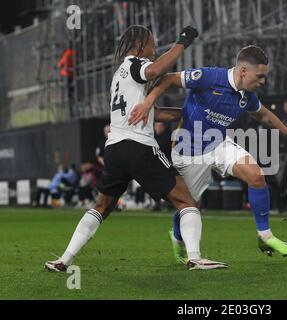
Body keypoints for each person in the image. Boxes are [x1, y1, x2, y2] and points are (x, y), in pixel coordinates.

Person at [45, 24, 227, 272]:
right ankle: (194, 257)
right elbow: (157, 69)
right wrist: (184, 41)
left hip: (115, 151)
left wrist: (186, 114)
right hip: (138, 147)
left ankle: (64, 259)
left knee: (101, 207)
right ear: (140, 46)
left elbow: (153, 113)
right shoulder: (134, 65)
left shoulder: (119, 77)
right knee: (187, 201)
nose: (154, 50)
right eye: (152, 44)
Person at [128, 45, 287, 264]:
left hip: (219, 143)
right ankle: (177, 238)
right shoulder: (208, 77)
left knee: (256, 175)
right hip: (188, 149)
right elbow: (167, 78)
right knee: (189, 206)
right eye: (260, 76)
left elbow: (264, 115)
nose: (263, 82)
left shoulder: (248, 95)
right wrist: (147, 103)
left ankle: (265, 236)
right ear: (243, 70)